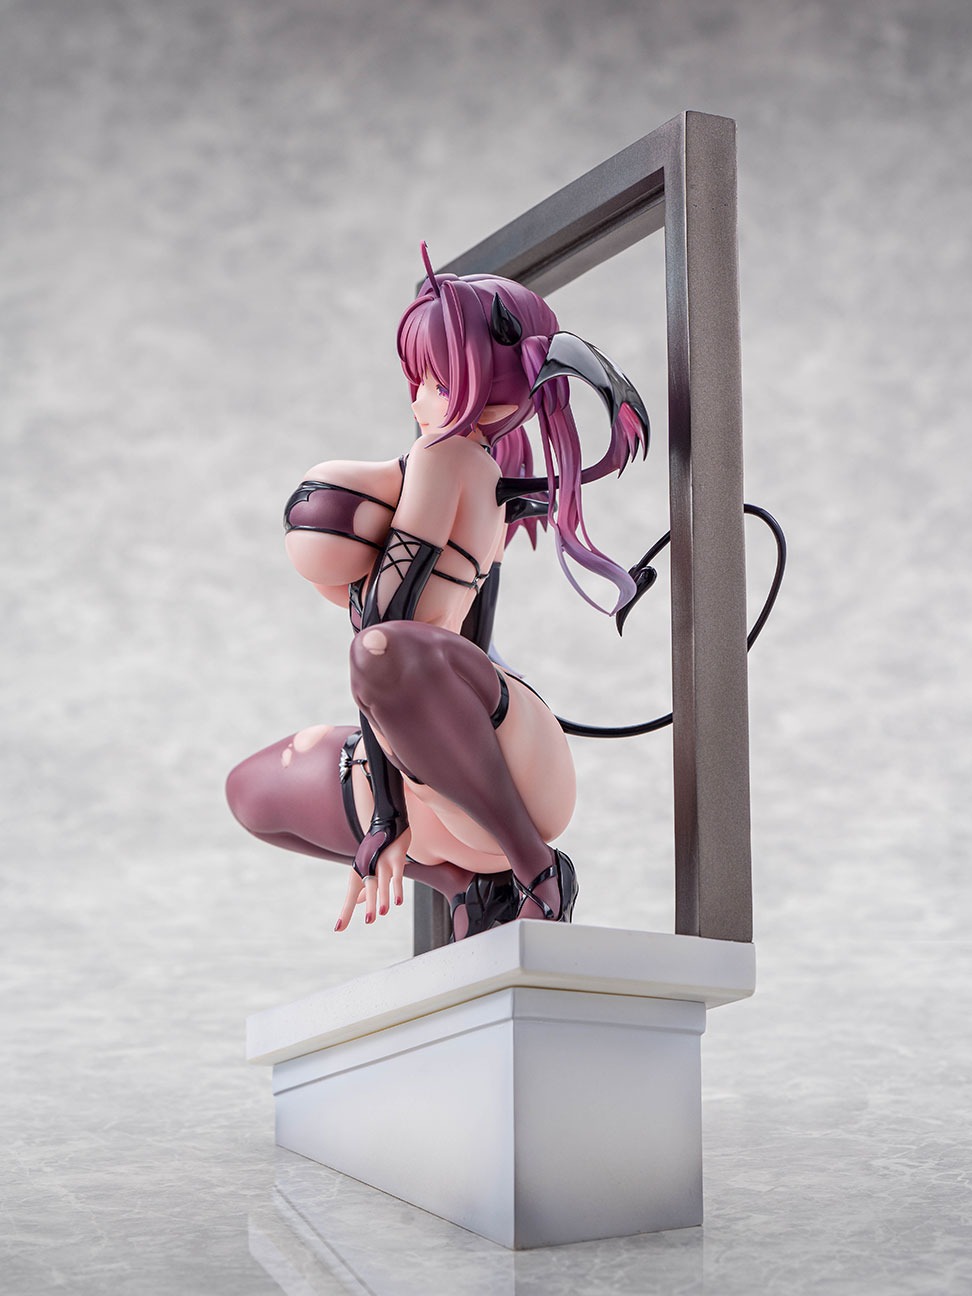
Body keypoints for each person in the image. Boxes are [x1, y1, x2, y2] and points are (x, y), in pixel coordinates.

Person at [226, 245, 649, 940]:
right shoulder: (482, 476)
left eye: (436, 379)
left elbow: (386, 632)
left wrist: (387, 818)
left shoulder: (443, 453)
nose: (419, 399)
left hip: (494, 776)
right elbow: (455, 636)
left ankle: (540, 873)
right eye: (416, 380)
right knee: (249, 792)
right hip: (445, 778)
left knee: (379, 651)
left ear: (493, 381)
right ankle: (468, 888)